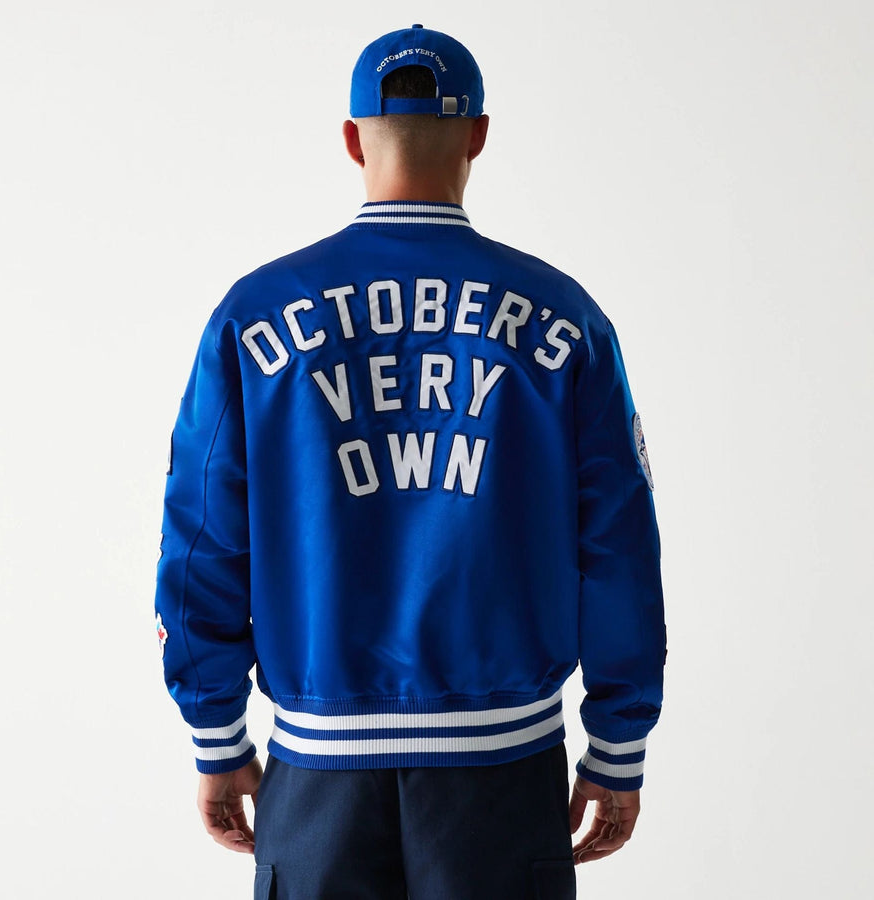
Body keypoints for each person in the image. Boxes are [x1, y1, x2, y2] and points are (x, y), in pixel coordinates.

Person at [155, 23, 666, 899]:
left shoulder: (255, 313)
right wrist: (617, 744)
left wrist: (216, 733)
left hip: (317, 771)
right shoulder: (565, 317)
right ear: (479, 136)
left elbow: (202, 532)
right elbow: (618, 541)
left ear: (352, 140)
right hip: (503, 771)